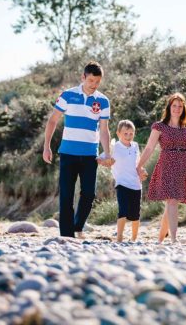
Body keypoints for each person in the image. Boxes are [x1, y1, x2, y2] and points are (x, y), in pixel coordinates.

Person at [42, 61, 112, 238]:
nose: (94, 85)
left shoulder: (103, 101)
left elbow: (104, 130)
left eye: (97, 82)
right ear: (83, 77)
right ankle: (67, 236)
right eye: (91, 81)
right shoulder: (68, 95)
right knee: (66, 195)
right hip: (68, 153)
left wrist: (107, 153)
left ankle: (77, 226)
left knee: (89, 194)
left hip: (90, 154)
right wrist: (47, 146)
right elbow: (52, 120)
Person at [136, 93, 186, 243]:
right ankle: (174, 239)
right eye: (174, 105)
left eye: (180, 106)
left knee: (171, 203)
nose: (177, 109)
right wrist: (139, 165)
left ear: (184, 108)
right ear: (169, 107)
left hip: (183, 166)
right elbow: (149, 148)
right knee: (172, 201)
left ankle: (160, 239)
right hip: (167, 165)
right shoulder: (159, 126)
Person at [100, 120, 147, 242]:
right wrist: (106, 161)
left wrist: (142, 171)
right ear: (118, 133)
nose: (128, 136)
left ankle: (134, 238)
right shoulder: (114, 147)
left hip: (136, 185)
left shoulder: (135, 146)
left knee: (135, 214)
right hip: (121, 183)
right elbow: (100, 159)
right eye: (125, 133)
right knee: (123, 210)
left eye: (131, 133)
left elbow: (138, 164)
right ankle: (119, 237)